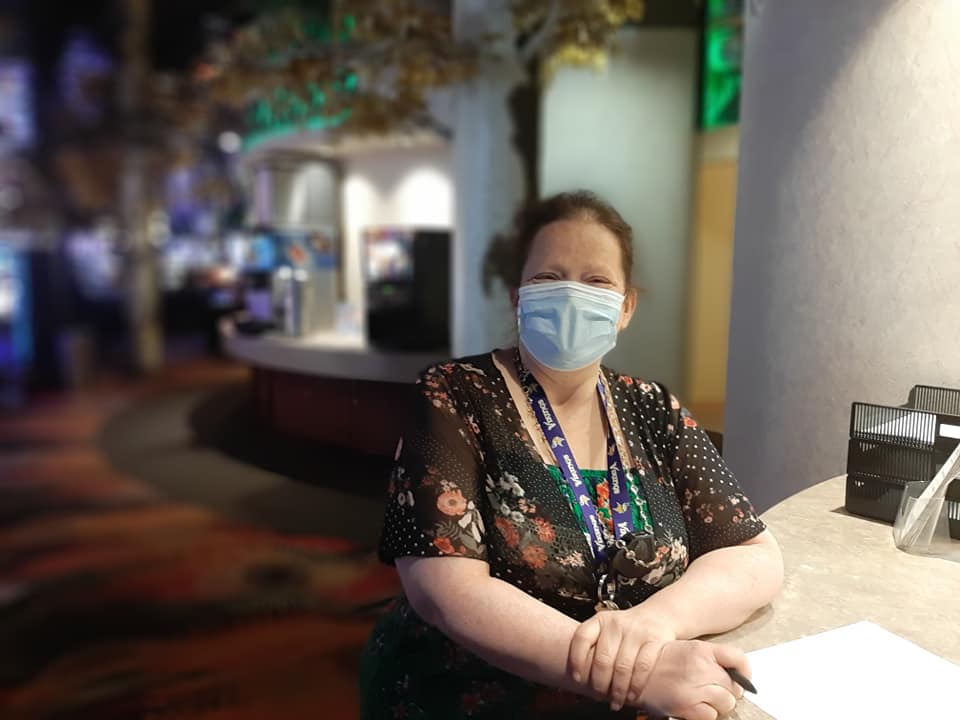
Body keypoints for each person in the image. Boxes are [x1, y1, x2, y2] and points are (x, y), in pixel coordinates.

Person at [359, 191, 784, 719]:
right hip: (468, 697)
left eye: (597, 281)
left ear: (626, 307)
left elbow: (752, 553)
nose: (572, 296)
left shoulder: (654, 409)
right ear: (517, 297)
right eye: (548, 278)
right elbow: (442, 588)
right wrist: (632, 674)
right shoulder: (454, 394)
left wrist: (654, 624)